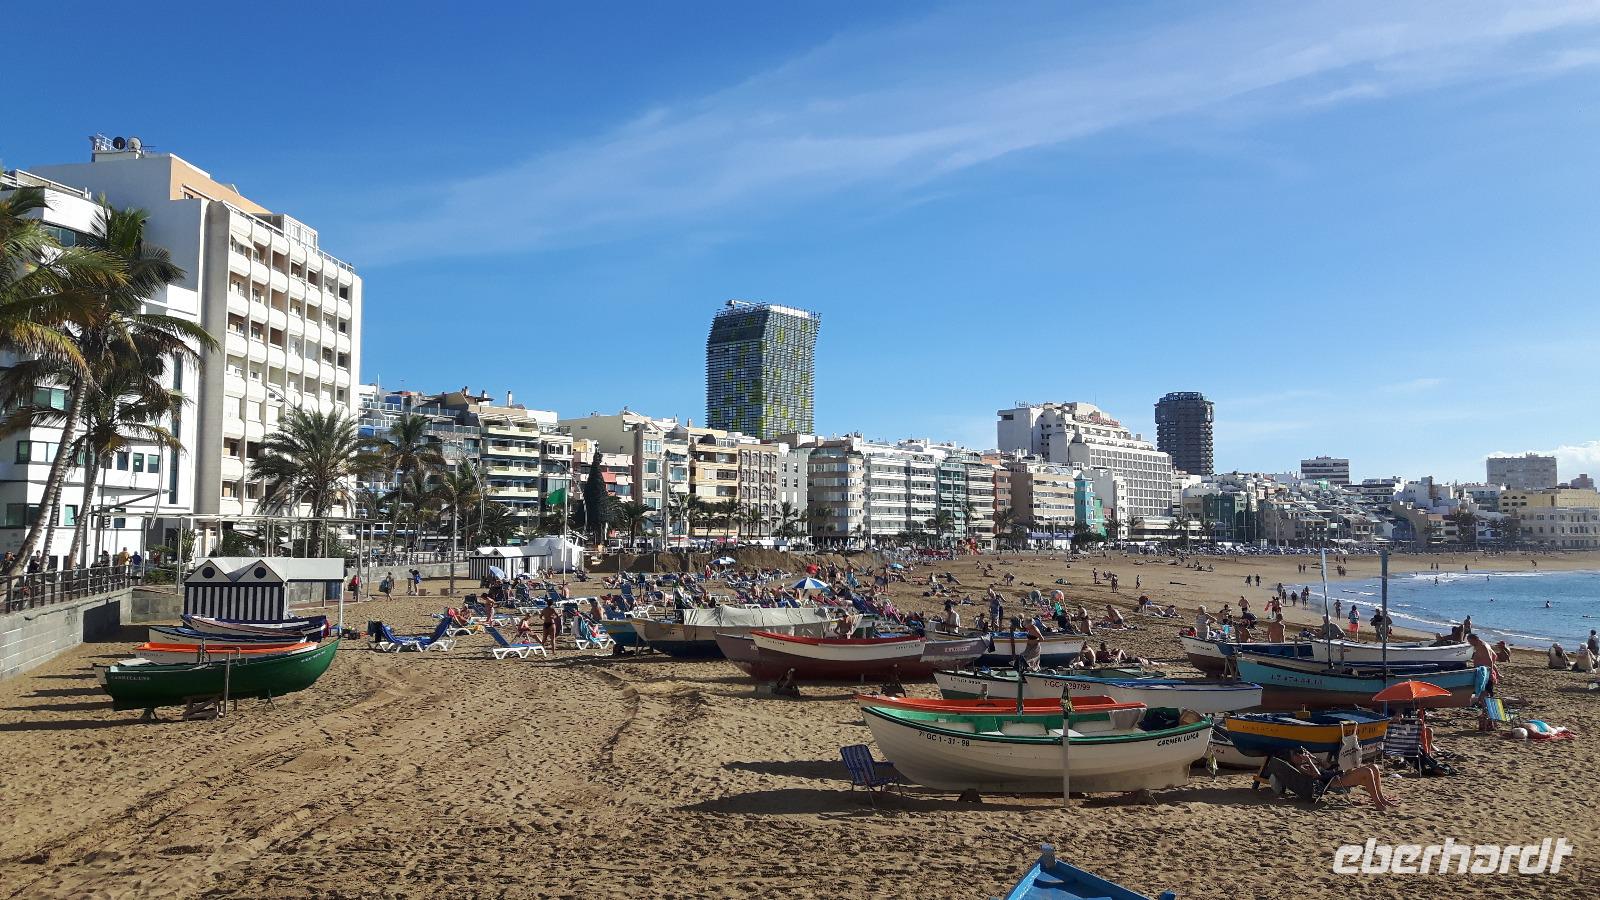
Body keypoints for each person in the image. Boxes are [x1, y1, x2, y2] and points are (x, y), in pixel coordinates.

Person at [1286, 747, 1400, 810]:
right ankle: (1378, 803)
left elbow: (1328, 766)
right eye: (1296, 754)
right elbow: (1318, 776)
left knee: (1374, 767)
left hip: (1336, 774)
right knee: (1367, 771)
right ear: (1292, 759)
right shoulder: (1300, 768)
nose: (1299, 755)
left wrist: (1313, 757)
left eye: (1298, 753)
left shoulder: (1307, 763)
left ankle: (1382, 799)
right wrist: (1309, 761)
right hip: (1332, 781)